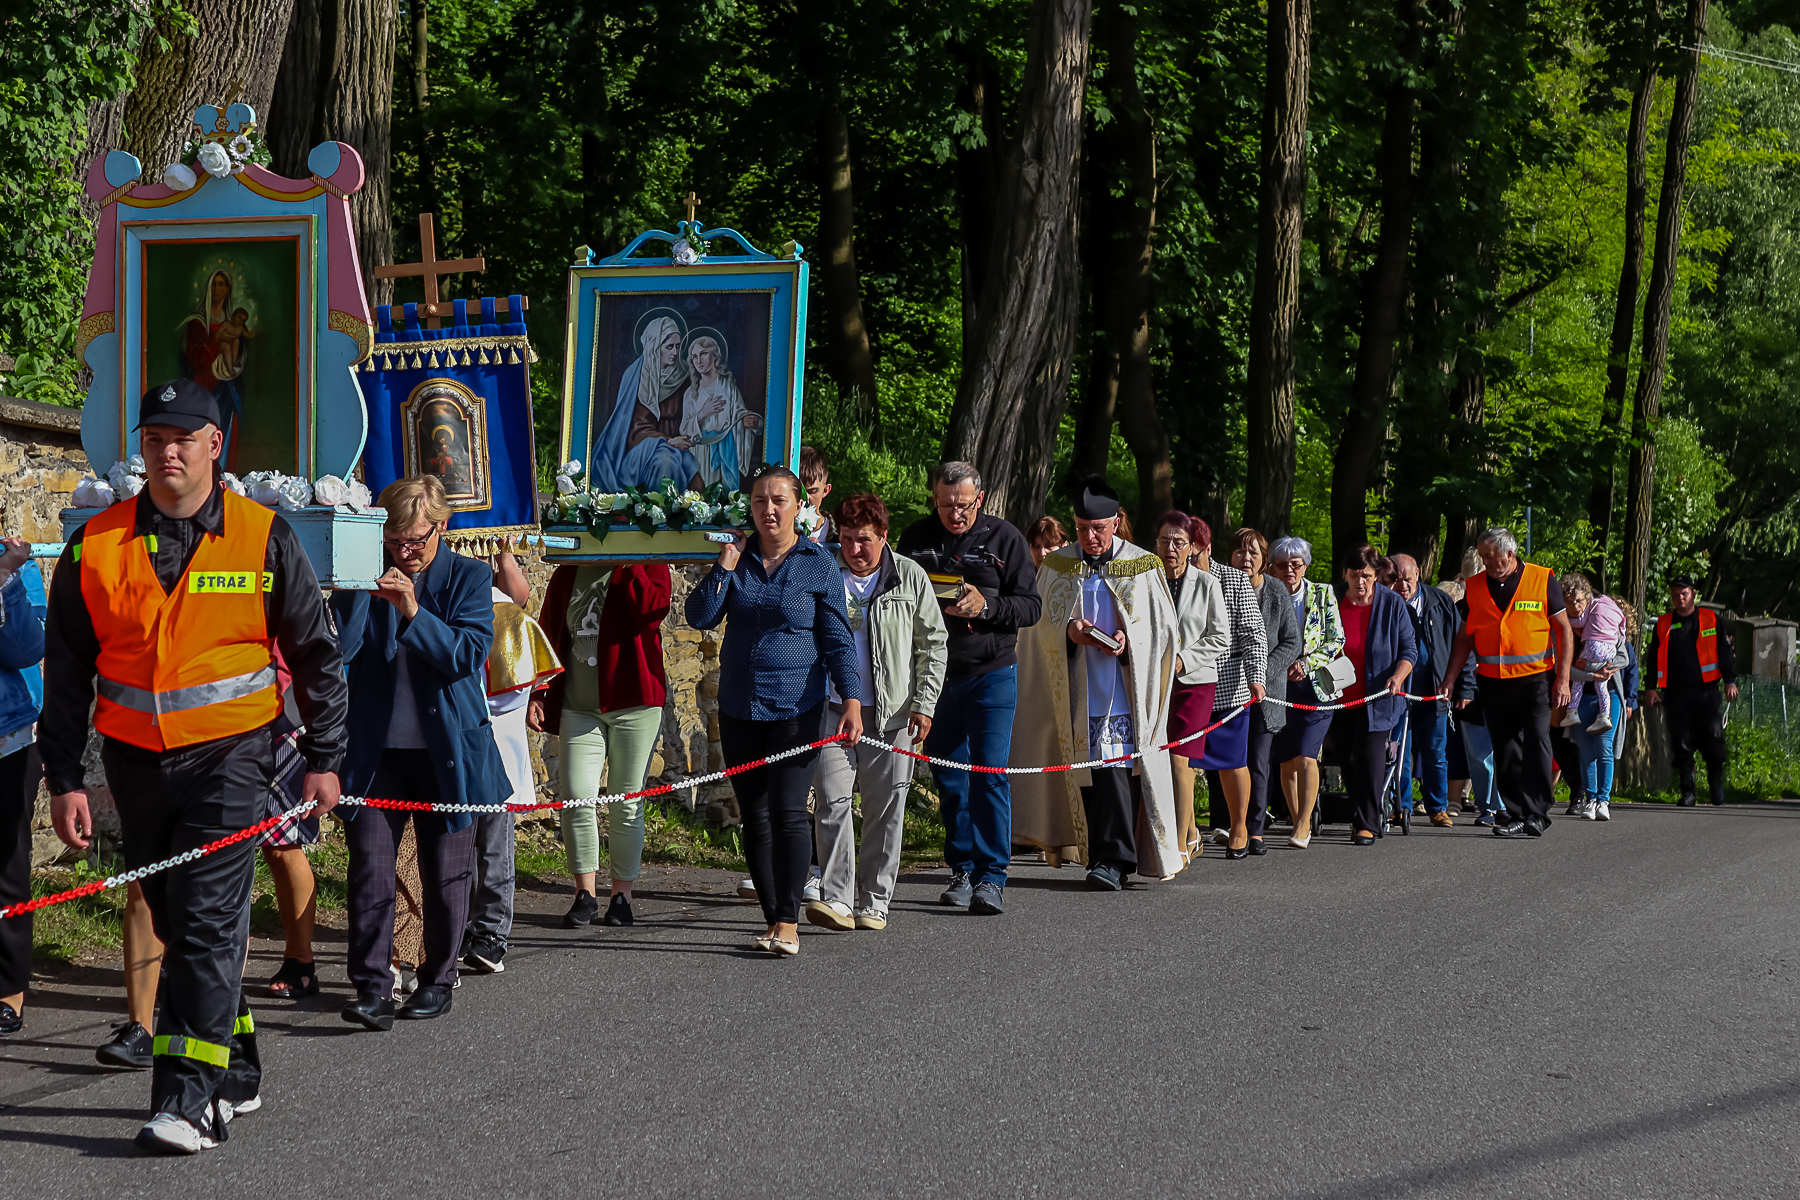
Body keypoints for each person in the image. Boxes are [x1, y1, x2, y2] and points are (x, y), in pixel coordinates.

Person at [42, 379, 346, 1154]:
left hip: (232, 760)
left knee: (208, 924)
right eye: (154, 439)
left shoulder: (264, 537)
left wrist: (324, 757)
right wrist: (65, 778)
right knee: (179, 923)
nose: (166, 452)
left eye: (182, 438)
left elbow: (316, 653)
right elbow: (67, 670)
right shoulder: (95, 545)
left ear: (216, 445)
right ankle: (236, 1068)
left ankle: (189, 1101)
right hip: (137, 764)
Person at [331, 475, 506, 1031]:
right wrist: (358, 590)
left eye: (415, 540)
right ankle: (372, 987)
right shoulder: (366, 571)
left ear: (442, 527)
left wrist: (411, 609)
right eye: (393, 540)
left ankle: (436, 980)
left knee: (446, 874)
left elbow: (466, 655)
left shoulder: (469, 577)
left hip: (445, 752)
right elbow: (342, 651)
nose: (403, 552)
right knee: (370, 870)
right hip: (377, 752)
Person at [686, 464, 862, 955]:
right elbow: (700, 617)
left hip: (796, 707)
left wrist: (851, 699)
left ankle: (789, 922)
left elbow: (838, 640)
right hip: (739, 707)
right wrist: (724, 565)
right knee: (755, 816)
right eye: (760, 500)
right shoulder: (737, 558)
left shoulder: (817, 562)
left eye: (779, 500)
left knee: (787, 811)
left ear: (798, 506)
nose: (769, 509)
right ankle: (772, 919)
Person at [1010, 479, 1180, 889]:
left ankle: (1114, 860)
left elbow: (1164, 631)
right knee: (1084, 769)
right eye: (1082, 528)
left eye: (1098, 528)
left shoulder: (1143, 565)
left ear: (1116, 523)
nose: (1090, 537)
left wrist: (1129, 639)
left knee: (1115, 767)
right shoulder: (1058, 566)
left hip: (1123, 686)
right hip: (1076, 686)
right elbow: (1035, 628)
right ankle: (1093, 853)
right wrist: (1068, 633)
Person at [896, 462, 1041, 913]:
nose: (955, 514)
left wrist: (987, 606)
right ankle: (961, 868)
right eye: (946, 505)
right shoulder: (914, 538)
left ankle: (992, 876)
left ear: (980, 499)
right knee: (950, 777)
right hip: (935, 676)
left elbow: (1031, 606)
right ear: (934, 499)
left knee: (989, 773)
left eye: (963, 505)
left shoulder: (1006, 538)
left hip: (991, 672)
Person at [808, 493, 947, 930]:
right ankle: (838, 898)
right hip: (832, 709)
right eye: (847, 539)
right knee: (831, 802)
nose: (854, 549)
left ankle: (874, 899)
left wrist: (924, 705)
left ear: (884, 536)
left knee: (885, 809)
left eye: (864, 540)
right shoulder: (823, 571)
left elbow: (932, 645)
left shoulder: (909, 576)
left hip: (893, 715)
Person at [533, 561, 671, 927]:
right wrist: (540, 691)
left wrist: (630, 563)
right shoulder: (567, 573)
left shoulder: (650, 564)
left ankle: (621, 895)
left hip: (636, 701)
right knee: (576, 796)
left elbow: (652, 612)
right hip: (579, 707)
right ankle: (585, 894)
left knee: (626, 801)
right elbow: (547, 632)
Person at [1439, 527, 1575, 837]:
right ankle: (1515, 813)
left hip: (1536, 679)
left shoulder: (1542, 579)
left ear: (1509, 554)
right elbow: (1464, 638)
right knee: (1506, 748)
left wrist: (1563, 678)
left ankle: (1537, 813)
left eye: (1490, 556)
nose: (1485, 561)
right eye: (1482, 556)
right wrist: (1449, 678)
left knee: (1537, 741)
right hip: (1493, 682)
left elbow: (1563, 630)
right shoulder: (1475, 587)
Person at [463, 555, 561, 969]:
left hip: (494, 749)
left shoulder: (508, 619)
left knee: (489, 847)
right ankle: (470, 928)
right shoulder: (457, 611)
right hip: (466, 749)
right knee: (470, 847)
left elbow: (511, 694)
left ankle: (490, 932)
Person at [1329, 544, 1417, 845]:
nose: (1360, 582)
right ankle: (1360, 814)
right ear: (1345, 574)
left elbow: (1409, 649)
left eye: (1366, 575)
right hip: (1337, 696)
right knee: (1347, 759)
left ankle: (1367, 823)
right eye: (1354, 575)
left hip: (1377, 699)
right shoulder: (1331, 599)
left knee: (1369, 757)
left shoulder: (1392, 603)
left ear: (1376, 575)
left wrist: (1398, 676)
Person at [1155, 512, 1229, 861]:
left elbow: (1220, 636)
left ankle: (1181, 841)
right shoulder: (1147, 579)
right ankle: (1190, 832)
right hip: (1155, 682)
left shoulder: (1207, 584)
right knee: (1160, 759)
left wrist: (1184, 659)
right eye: (1164, 540)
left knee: (1179, 759)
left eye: (1178, 542)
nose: (1170, 548)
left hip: (1195, 682)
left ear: (1191, 548)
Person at [1227, 528, 1302, 854]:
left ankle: (1255, 829)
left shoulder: (1275, 590)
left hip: (1265, 692)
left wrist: (1262, 671)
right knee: (1229, 758)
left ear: (1264, 560)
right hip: (1227, 689)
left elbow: (1292, 640)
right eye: (1240, 552)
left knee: (1258, 761)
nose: (1245, 558)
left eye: (1253, 553)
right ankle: (1229, 824)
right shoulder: (1221, 585)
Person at [1195, 523, 1268, 857]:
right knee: (1181, 761)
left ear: (1208, 549)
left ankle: (1240, 826)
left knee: (1232, 761)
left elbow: (1254, 634)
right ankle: (1186, 831)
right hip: (1185, 685)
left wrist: (1256, 677)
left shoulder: (1234, 580)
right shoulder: (1168, 578)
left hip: (1229, 687)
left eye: (1194, 553)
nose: (1185, 558)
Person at [1267, 537, 1344, 849]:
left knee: (1306, 754)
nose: (1289, 570)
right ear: (1273, 567)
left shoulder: (1323, 593)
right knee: (1286, 758)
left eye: (1295, 565)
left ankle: (1303, 823)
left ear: (1306, 566)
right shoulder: (1268, 594)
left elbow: (1336, 639)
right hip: (1279, 687)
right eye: (1282, 565)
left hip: (1316, 688)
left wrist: (1306, 663)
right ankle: (1297, 815)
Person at [0, 537, 45, 1037]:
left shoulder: (17, 568)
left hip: (7, 741)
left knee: (7, 863)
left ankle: (8, 988)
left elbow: (26, 649)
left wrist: (4, 579)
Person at [1642, 575, 1738, 807]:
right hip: (1676, 693)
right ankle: (1688, 791)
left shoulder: (1710, 619)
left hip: (1707, 691)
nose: (1680, 598)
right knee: (1681, 742)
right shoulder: (1663, 623)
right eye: (1676, 594)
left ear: (1693, 594)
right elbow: (1653, 658)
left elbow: (1724, 651)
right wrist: (1650, 688)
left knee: (1712, 738)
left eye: (1684, 593)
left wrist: (1730, 680)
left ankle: (1716, 785)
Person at [1385, 552, 1461, 827]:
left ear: (1418, 573)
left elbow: (1460, 643)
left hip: (1434, 690)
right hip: (1396, 691)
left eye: (1407, 578)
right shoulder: (1384, 602)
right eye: (1396, 579)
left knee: (1435, 752)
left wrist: (1464, 687)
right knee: (1398, 753)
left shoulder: (1439, 601)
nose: (1403, 585)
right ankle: (1400, 806)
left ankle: (1437, 808)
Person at [1559, 573, 1623, 822]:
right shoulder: (1565, 629)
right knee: (1585, 752)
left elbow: (1625, 656)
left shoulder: (1604, 620)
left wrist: (1604, 668)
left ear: (1587, 599)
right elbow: (1563, 669)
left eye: (1578, 600)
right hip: (1581, 698)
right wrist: (1591, 674)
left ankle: (1603, 800)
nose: (1575, 606)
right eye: (1569, 602)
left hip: (1610, 694)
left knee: (1604, 748)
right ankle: (1591, 799)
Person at [800, 445, 835, 545]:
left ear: (825, 490)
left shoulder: (841, 537)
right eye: (798, 492)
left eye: (811, 491)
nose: (804, 498)